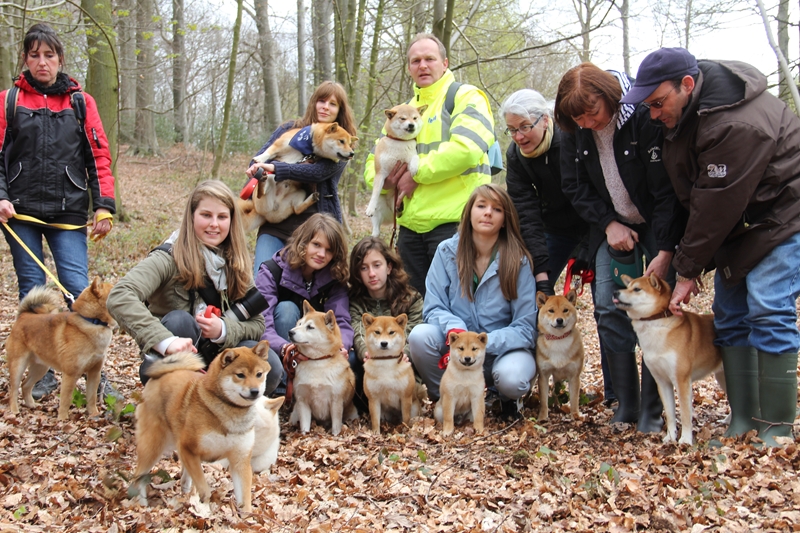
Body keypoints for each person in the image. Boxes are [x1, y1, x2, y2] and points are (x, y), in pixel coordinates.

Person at [620, 48, 800, 446]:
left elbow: (717, 202)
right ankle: (744, 419)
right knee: (730, 316)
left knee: (768, 308)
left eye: (657, 103)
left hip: (782, 219)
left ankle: (777, 427)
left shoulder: (734, 123)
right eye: (647, 105)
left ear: (687, 85)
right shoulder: (683, 118)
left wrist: (686, 270)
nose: (653, 114)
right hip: (738, 230)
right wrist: (669, 250)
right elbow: (692, 197)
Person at [555, 63, 685, 432]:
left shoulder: (645, 116)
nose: (586, 122)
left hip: (659, 224)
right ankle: (626, 404)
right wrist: (610, 223)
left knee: (656, 312)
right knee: (609, 306)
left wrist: (666, 250)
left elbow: (666, 190)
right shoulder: (575, 130)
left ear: (609, 96)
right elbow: (574, 186)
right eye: (576, 117)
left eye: (592, 112)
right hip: (610, 227)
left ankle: (653, 409)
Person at [0, 23, 116, 401]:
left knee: (75, 289)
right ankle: (44, 369)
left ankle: (90, 372)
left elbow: (98, 155)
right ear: (25, 59)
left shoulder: (81, 102)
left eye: (49, 55)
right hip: (21, 212)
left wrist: (103, 206)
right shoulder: (9, 101)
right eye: (34, 55)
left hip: (69, 211)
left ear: (60, 59)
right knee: (33, 288)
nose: (42, 62)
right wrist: (2, 196)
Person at [107, 180, 281, 394]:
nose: (214, 224)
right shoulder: (168, 258)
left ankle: (226, 412)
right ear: (191, 217)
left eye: (222, 217)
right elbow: (120, 295)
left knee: (270, 367)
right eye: (206, 215)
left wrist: (224, 329)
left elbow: (257, 323)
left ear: (232, 220)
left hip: (219, 360)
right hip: (174, 358)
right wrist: (166, 341)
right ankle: (174, 407)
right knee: (180, 320)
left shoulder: (236, 263)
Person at [364, 33, 495, 296]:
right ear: (409, 68)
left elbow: (467, 148)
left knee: (459, 303)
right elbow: (373, 160)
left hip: (454, 222)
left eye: (429, 59)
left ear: (445, 63)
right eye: (415, 61)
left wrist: (417, 173)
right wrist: (385, 179)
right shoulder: (404, 109)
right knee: (419, 308)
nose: (422, 65)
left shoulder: (465, 96)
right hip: (411, 227)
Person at [408, 184, 538, 420]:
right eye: (481, 206)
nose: (488, 212)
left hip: (500, 354)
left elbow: (526, 328)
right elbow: (433, 307)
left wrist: (484, 342)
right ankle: (449, 400)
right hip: (457, 352)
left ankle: (504, 399)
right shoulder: (446, 252)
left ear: (505, 219)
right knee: (420, 335)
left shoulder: (517, 260)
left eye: (497, 209)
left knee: (513, 378)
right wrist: (456, 329)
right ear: (469, 212)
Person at [246, 81, 357, 275]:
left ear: (339, 110)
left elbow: (316, 173)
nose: (325, 107)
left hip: (315, 231)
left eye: (333, 104)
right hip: (275, 224)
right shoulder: (290, 129)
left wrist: (276, 168)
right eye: (322, 101)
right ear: (314, 103)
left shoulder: (343, 144)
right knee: (262, 284)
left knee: (301, 298)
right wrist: (258, 171)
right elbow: (257, 161)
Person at [254, 213, 353, 368]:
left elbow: (341, 320)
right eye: (317, 245)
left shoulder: (334, 278)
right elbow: (261, 322)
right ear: (303, 242)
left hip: (318, 349)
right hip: (280, 347)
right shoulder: (272, 271)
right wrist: (284, 348)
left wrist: (342, 346)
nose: (321, 254)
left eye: (329, 250)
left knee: (352, 360)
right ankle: (284, 385)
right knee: (287, 309)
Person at [348, 236, 424, 408]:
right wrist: (366, 352)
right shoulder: (355, 301)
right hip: (370, 369)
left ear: (389, 267)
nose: (372, 274)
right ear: (358, 274)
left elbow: (413, 332)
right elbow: (357, 330)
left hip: (402, 368)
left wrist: (398, 354)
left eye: (377, 265)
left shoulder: (411, 298)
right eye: (364, 268)